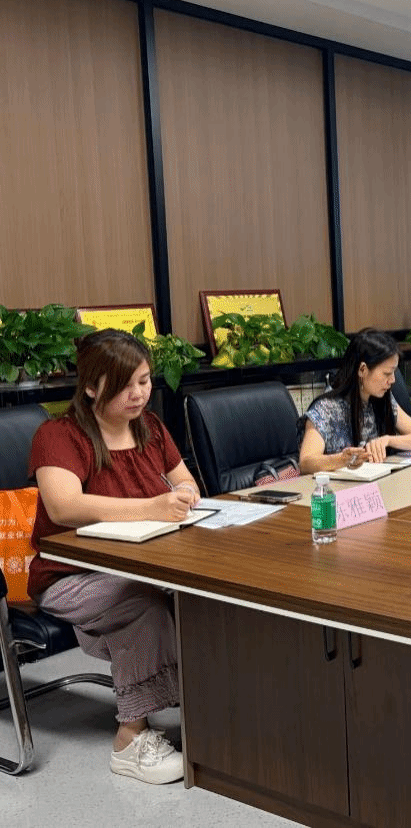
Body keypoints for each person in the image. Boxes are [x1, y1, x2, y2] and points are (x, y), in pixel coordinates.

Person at [28, 329, 196, 785]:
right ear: (90, 387)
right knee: (140, 602)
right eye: (125, 385)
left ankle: (206, 710)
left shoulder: (151, 428)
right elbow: (64, 507)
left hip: (144, 561)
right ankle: (130, 740)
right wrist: (152, 507)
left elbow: (185, 480)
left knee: (201, 597)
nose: (139, 393)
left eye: (144, 380)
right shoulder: (58, 435)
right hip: (69, 576)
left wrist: (184, 494)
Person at [299, 328, 411, 472]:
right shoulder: (326, 409)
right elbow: (306, 462)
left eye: (394, 372)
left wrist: (388, 440)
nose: (393, 380)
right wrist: (343, 459)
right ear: (362, 370)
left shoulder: (382, 398)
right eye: (387, 373)